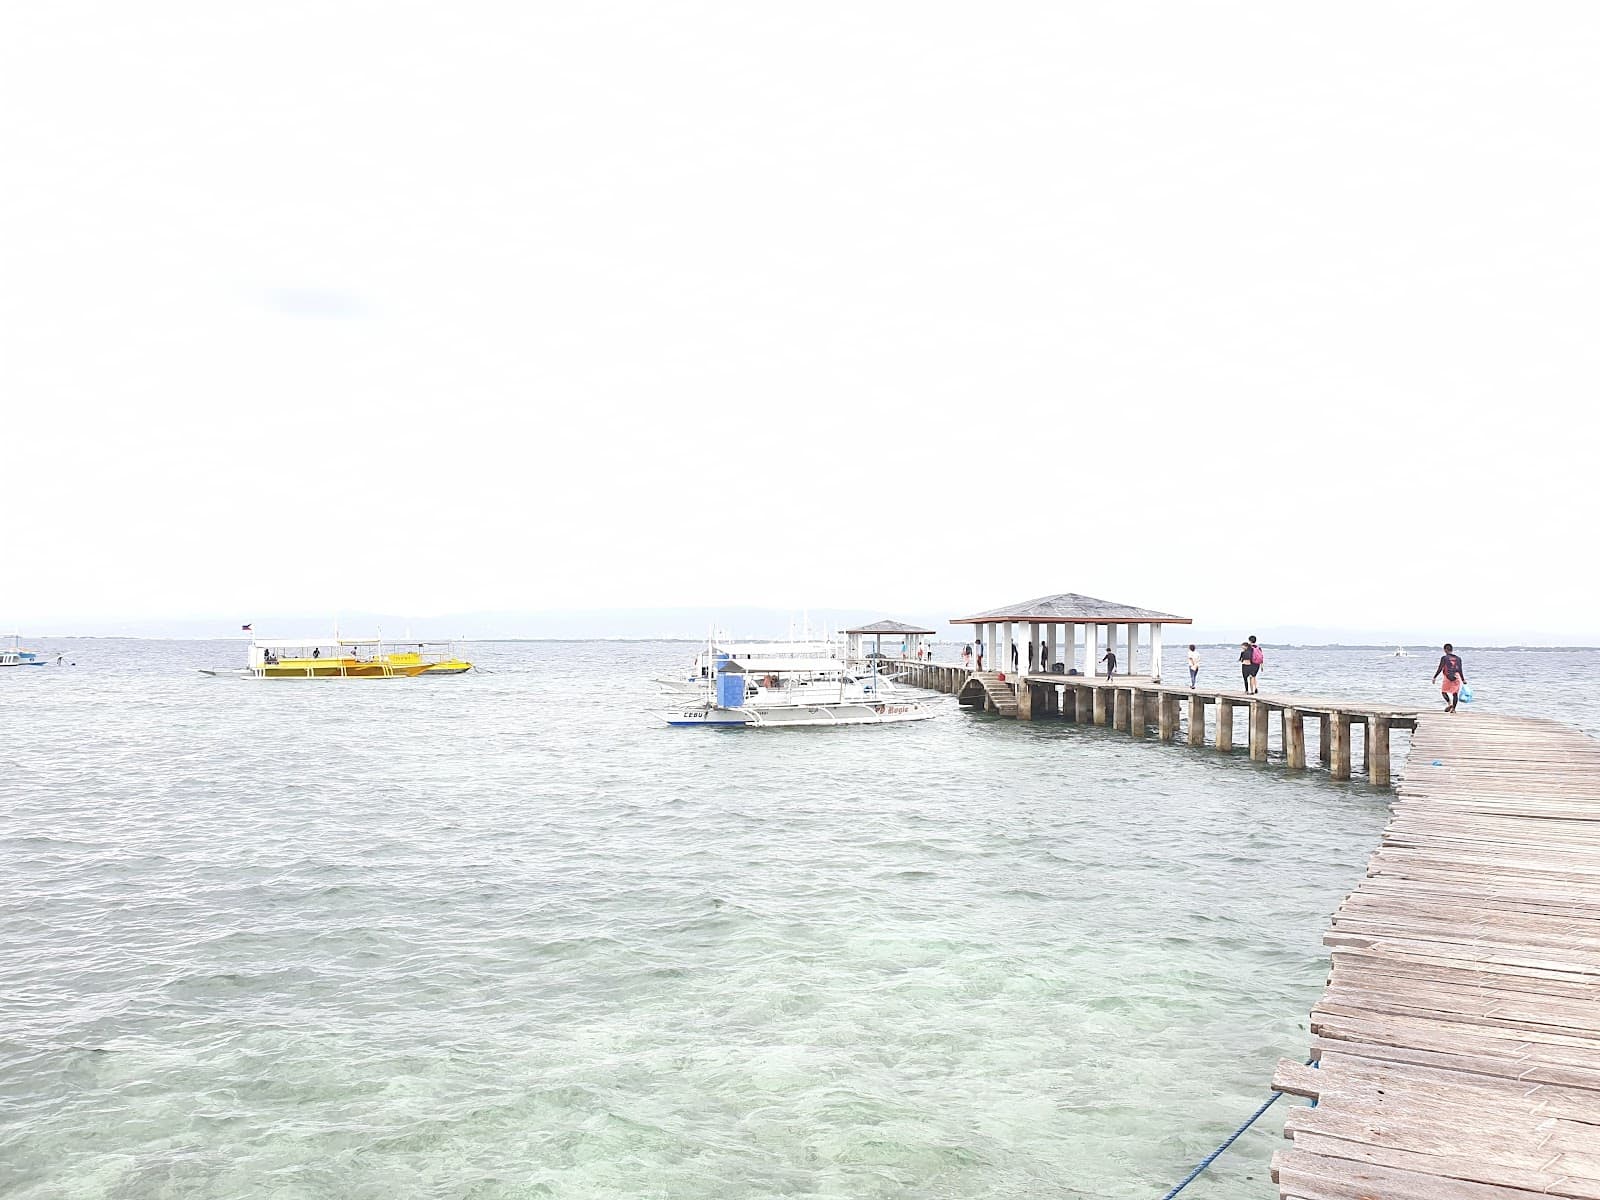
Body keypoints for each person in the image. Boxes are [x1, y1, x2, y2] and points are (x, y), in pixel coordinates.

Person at [1433, 643, 1467, 713]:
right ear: (1452, 649)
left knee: (1443, 692)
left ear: (1445, 650)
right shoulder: (1458, 658)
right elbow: (1460, 670)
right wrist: (1463, 679)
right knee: (1455, 693)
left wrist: (1435, 677)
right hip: (1456, 677)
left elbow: (1440, 668)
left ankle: (1449, 704)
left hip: (1447, 677)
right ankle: (1453, 709)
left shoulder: (1444, 658)